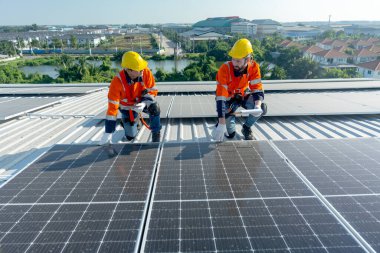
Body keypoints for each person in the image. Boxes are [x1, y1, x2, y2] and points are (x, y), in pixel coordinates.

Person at [99, 51, 161, 145]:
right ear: (129, 70)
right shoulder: (117, 82)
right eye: (139, 69)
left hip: (141, 103)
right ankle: (129, 123)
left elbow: (152, 91)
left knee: (154, 107)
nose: (142, 71)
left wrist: (144, 103)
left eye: (142, 69)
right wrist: (108, 132)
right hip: (127, 108)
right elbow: (112, 109)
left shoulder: (145, 72)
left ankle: (156, 134)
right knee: (130, 136)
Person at [213, 38, 264, 141]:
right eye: (233, 59)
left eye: (238, 61)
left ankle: (246, 128)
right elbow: (221, 97)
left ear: (248, 60)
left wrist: (257, 105)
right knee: (230, 134)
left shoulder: (254, 67)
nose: (234, 63)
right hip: (228, 99)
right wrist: (222, 123)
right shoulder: (224, 69)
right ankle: (223, 120)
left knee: (261, 108)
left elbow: (257, 88)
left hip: (243, 96)